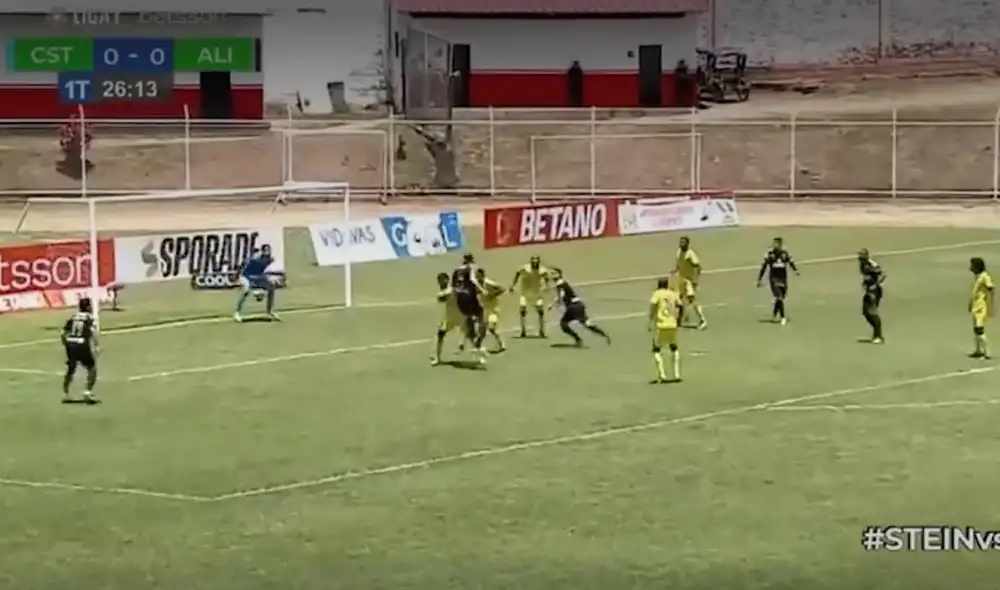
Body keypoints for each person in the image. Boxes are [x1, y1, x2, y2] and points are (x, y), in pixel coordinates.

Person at [548, 268, 611, 347]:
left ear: (559, 274)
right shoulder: (562, 283)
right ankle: (603, 335)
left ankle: (578, 339)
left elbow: (561, 295)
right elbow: (561, 295)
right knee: (586, 324)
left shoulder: (560, 284)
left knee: (564, 324)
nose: (551, 275)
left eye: (553, 273)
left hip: (573, 307)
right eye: (551, 273)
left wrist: (556, 303)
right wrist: (553, 303)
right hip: (578, 305)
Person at [61, 297, 100, 404]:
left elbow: (63, 333)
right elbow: (93, 331)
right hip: (82, 343)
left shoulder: (73, 317)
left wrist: (66, 345)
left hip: (71, 343)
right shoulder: (89, 318)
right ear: (87, 307)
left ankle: (65, 393)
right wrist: (96, 345)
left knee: (70, 369)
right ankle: (87, 391)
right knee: (92, 368)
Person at [452, 253, 487, 361]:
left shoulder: (456, 270)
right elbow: (472, 279)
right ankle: (477, 343)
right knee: (481, 317)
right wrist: (481, 289)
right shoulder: (471, 267)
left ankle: (466, 342)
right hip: (470, 297)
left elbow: (453, 286)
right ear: (471, 260)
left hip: (460, 299)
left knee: (469, 320)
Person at [432, 272, 472, 366]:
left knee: (472, 338)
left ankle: (481, 356)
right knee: (440, 334)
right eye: (439, 280)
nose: (440, 282)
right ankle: (438, 358)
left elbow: (442, 297)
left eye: (442, 280)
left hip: (460, 316)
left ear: (447, 280)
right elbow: (441, 299)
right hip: (449, 317)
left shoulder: (452, 290)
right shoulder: (447, 290)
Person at [756, 237, 799, 324]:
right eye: (774, 244)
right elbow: (764, 266)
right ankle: (783, 317)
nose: (775, 245)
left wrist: (795, 270)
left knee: (781, 298)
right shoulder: (770, 254)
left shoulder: (784, 254)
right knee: (779, 297)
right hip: (774, 279)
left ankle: (774, 314)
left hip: (783, 278)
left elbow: (790, 262)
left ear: (780, 245)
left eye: (776, 244)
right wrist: (759, 279)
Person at [649, 278, 683, 383]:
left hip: (661, 324)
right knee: (674, 347)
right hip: (672, 323)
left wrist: (651, 321)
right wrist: (679, 318)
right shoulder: (672, 293)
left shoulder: (657, 294)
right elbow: (681, 306)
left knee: (656, 349)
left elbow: (653, 306)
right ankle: (677, 374)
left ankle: (662, 375)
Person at [234, 244, 279, 323]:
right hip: (246, 276)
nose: (268, 252)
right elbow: (243, 264)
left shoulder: (270, 259)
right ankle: (237, 313)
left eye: (269, 250)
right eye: (266, 250)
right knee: (246, 290)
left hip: (258, 277)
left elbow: (265, 271)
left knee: (272, 285)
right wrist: (237, 275)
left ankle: (269, 312)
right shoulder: (255, 258)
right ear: (262, 251)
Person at [509, 255, 550, 338]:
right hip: (525, 293)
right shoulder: (525, 268)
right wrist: (513, 285)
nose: (534, 262)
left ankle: (542, 330)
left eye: (536, 260)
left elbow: (546, 278)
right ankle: (523, 330)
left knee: (540, 309)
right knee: (522, 309)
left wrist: (546, 286)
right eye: (533, 260)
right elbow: (517, 273)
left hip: (537, 293)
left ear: (538, 261)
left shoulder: (542, 270)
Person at [675, 236, 706, 329]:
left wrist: (695, 280)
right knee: (678, 300)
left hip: (689, 281)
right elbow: (679, 265)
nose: (681, 244)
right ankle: (679, 319)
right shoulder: (679, 252)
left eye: (683, 242)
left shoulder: (690, 254)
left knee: (692, 300)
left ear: (687, 244)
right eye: (680, 242)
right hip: (681, 280)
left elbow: (697, 266)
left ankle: (702, 320)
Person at [858, 248, 886, 343]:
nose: (860, 258)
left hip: (875, 291)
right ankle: (876, 332)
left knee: (872, 312)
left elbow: (882, 274)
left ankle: (878, 335)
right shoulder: (862, 265)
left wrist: (875, 285)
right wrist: (865, 283)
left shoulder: (872, 265)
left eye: (862, 256)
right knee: (865, 312)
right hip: (868, 290)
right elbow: (866, 276)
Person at [476, 268, 507, 353]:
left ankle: (502, 345)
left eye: (479, 276)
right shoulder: (476, 285)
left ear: (482, 275)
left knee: (492, 328)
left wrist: (492, 295)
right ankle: (478, 344)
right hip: (484, 309)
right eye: (476, 276)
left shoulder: (489, 283)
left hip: (494, 309)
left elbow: (502, 289)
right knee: (482, 330)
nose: (477, 277)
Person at [969, 257, 994, 359]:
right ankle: (978, 350)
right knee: (976, 329)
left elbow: (991, 289)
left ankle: (987, 351)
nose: (970, 267)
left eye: (972, 265)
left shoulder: (984, 277)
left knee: (979, 329)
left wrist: (991, 305)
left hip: (980, 307)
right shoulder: (978, 276)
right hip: (975, 306)